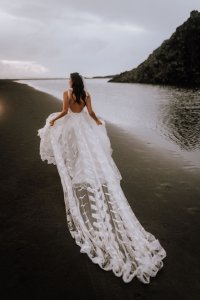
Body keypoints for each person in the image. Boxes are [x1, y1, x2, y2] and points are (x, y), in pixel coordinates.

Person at [37, 72, 167, 284]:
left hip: (73, 127)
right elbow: (90, 112)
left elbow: (63, 112)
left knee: (78, 153)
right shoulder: (86, 93)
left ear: (72, 82)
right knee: (90, 154)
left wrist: (53, 121)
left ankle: (80, 173)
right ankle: (86, 173)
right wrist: (98, 122)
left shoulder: (66, 93)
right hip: (84, 127)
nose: (68, 82)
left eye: (69, 79)